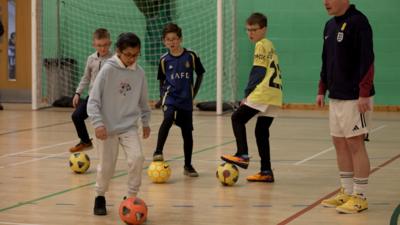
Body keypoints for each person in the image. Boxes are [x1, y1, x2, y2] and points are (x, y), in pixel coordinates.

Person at [317, 0, 374, 214]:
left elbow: (368, 60)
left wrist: (364, 93)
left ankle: (360, 196)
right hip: (336, 96)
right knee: (339, 143)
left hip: (355, 97)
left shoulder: (359, 22)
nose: (325, 2)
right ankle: (346, 191)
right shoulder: (329, 26)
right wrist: (322, 88)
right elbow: (326, 60)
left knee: (355, 144)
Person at [87, 32, 151, 215]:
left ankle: (130, 197)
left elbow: (143, 102)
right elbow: (93, 101)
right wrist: (98, 124)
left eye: (136, 55)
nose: (132, 59)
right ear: (118, 52)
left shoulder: (139, 73)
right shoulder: (107, 70)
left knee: (137, 158)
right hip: (106, 128)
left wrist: (145, 122)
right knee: (107, 166)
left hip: (129, 126)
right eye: (128, 55)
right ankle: (100, 196)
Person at [220, 12, 283, 183]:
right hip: (276, 95)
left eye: (254, 29)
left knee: (237, 118)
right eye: (247, 30)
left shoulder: (261, 44)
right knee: (261, 131)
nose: (250, 33)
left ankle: (242, 154)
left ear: (264, 29)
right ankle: (266, 171)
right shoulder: (270, 45)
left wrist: (247, 94)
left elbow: (259, 71)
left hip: (264, 92)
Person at [152, 23, 205, 177]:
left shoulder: (191, 56)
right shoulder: (164, 60)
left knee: (187, 133)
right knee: (167, 118)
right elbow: (161, 80)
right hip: (170, 97)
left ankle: (188, 165)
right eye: (168, 40)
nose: (172, 42)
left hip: (186, 99)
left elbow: (200, 73)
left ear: (180, 39)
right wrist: (162, 98)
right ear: (164, 42)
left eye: (174, 39)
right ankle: (158, 151)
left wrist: (194, 92)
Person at [69, 28, 113, 153]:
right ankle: (85, 141)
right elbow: (86, 77)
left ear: (109, 43)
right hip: (93, 97)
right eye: (99, 45)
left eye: (105, 45)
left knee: (108, 129)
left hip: (108, 100)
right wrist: (78, 92)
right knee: (77, 116)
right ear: (94, 45)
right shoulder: (91, 59)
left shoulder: (114, 60)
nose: (103, 48)